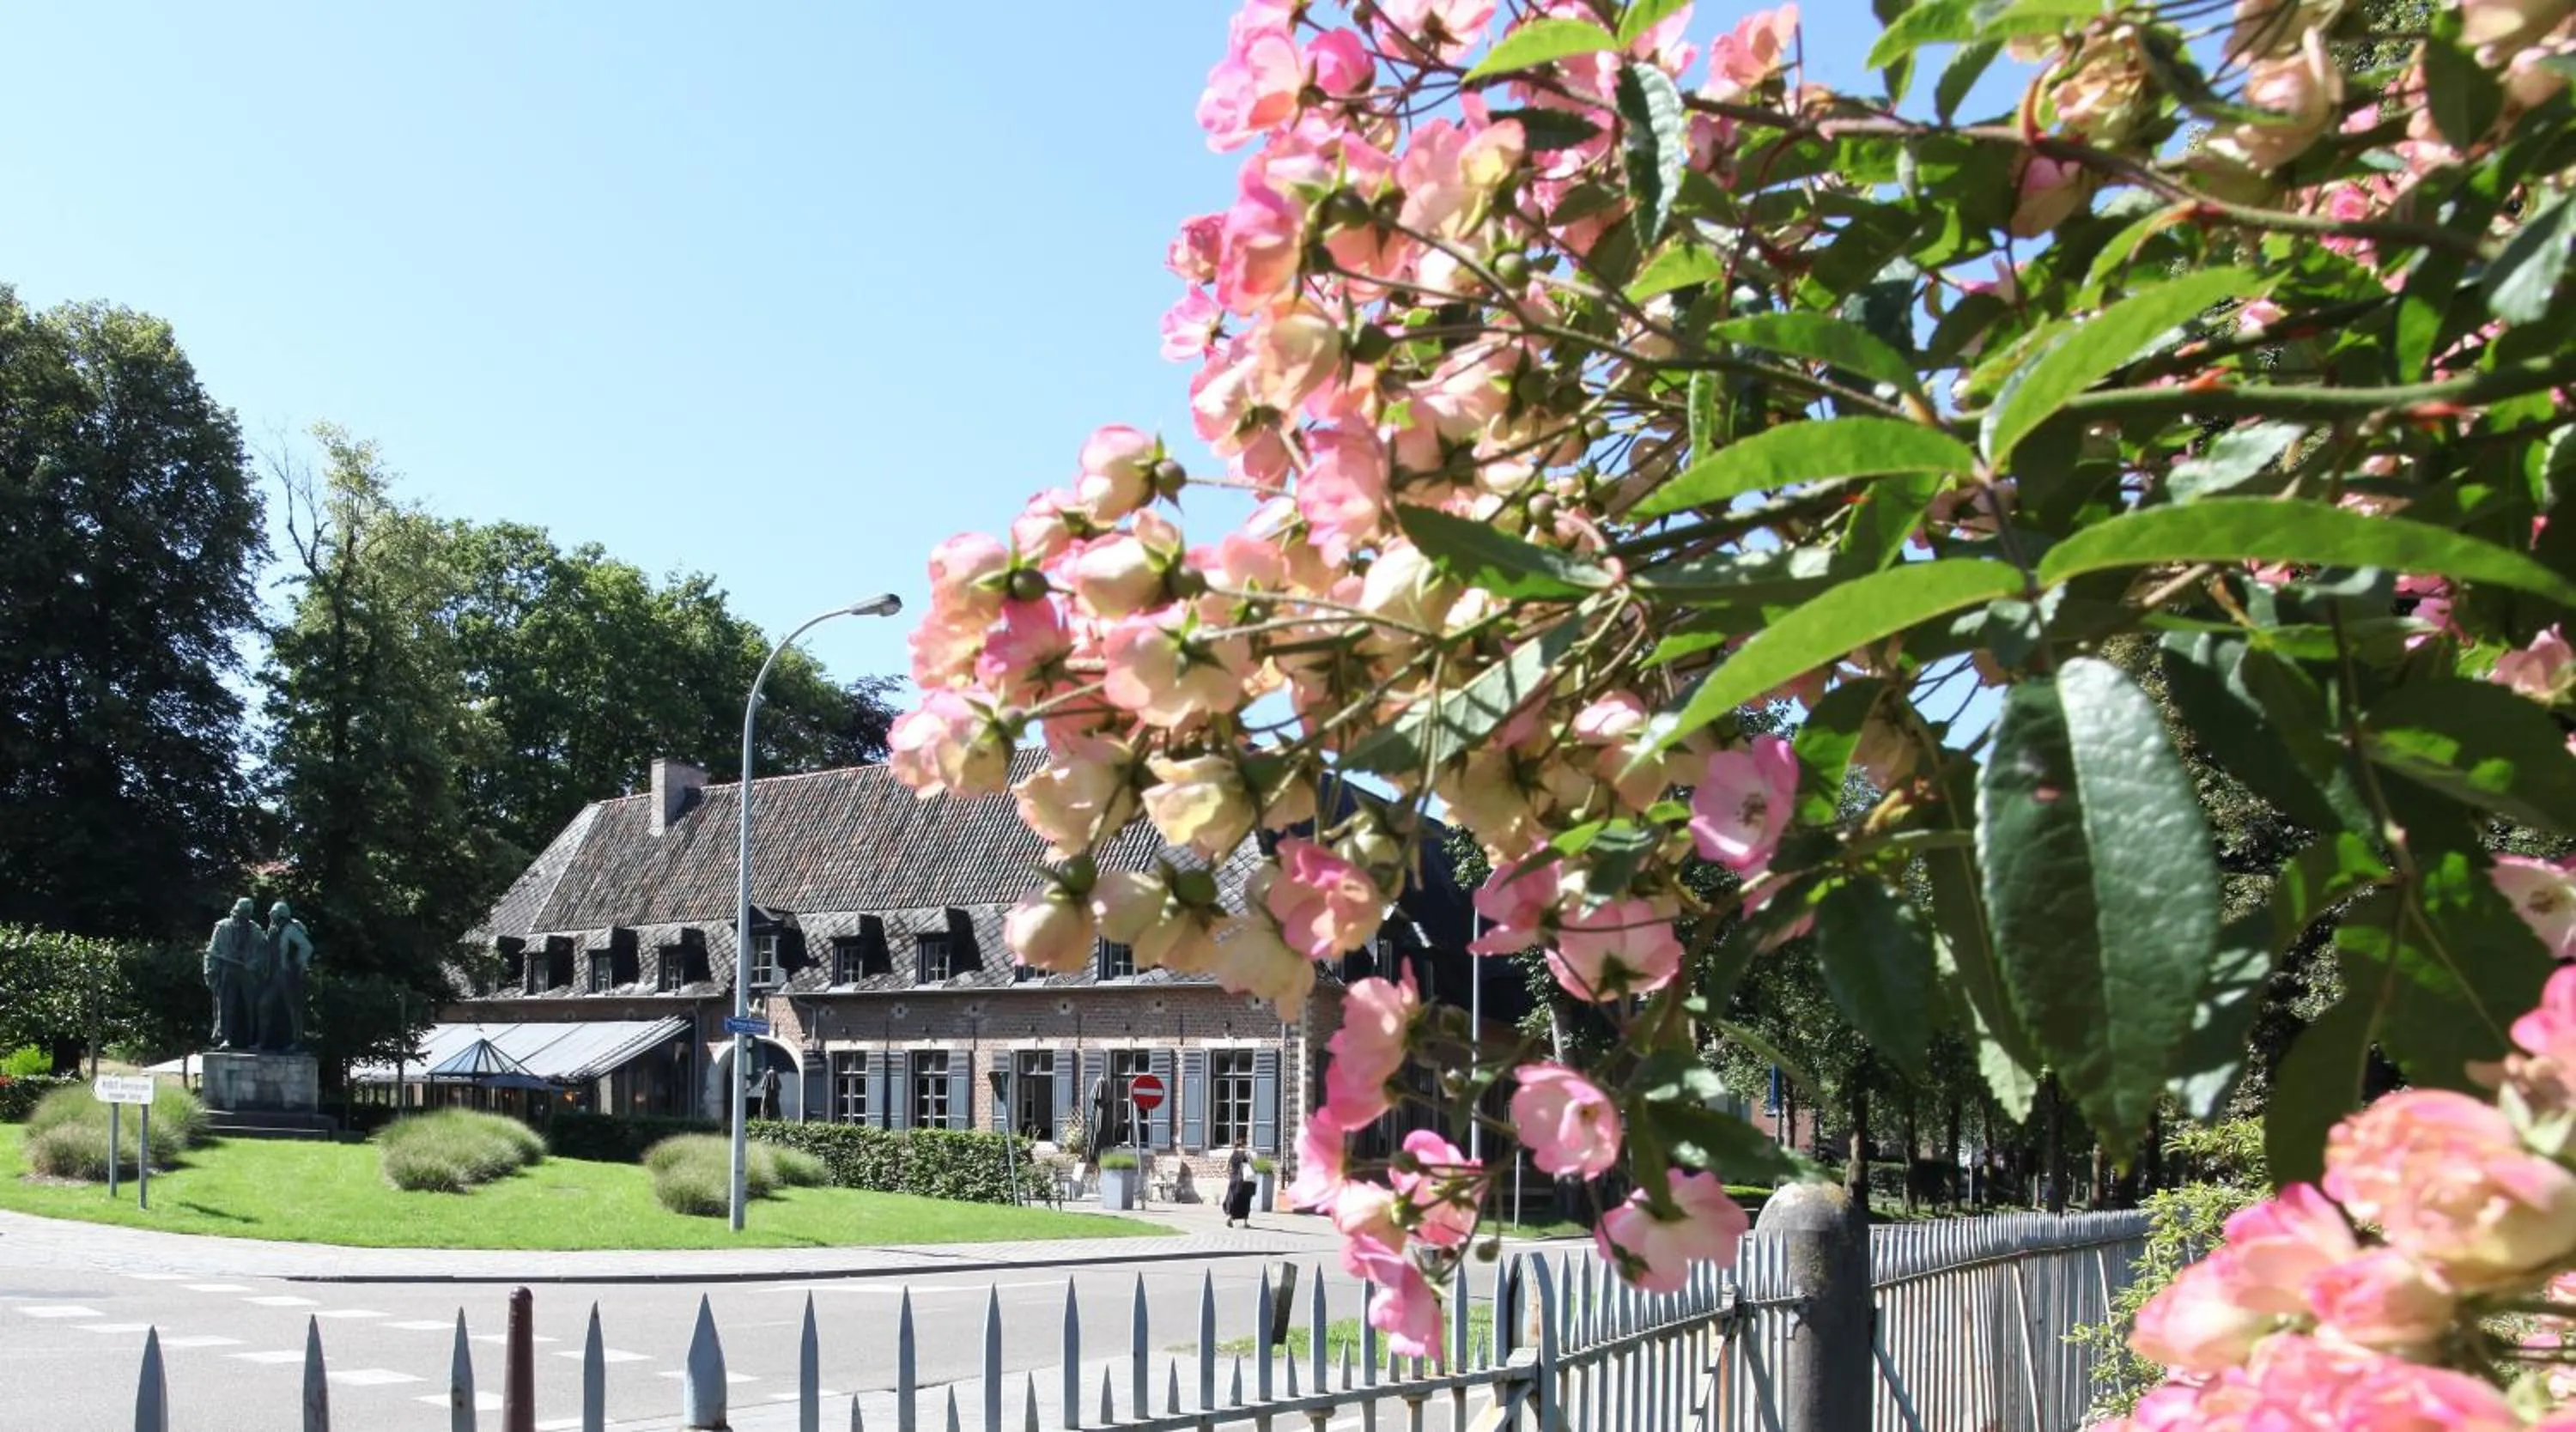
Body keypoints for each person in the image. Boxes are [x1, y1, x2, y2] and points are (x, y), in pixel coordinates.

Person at [1223, 1135, 1255, 1229]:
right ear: (1244, 1145)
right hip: (1244, 1181)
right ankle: (1245, 1222)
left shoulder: (1232, 1154)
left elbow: (1225, 1168)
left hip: (1233, 1180)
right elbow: (1252, 1167)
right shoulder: (1247, 1154)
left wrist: (1232, 1174)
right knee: (1245, 1200)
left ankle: (1230, 1218)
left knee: (1233, 1199)